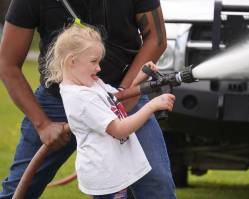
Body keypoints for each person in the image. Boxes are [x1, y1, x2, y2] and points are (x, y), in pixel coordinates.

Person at [0, 0, 176, 198]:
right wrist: (42, 124)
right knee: (19, 188)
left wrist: (126, 92)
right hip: (57, 102)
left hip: (119, 94)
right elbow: (7, 64)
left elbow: (157, 38)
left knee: (156, 184)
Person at [44, 24, 175, 199]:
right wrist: (151, 106)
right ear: (72, 61)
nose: (98, 68)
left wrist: (140, 78)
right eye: (93, 62)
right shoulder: (81, 98)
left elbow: (116, 98)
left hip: (115, 170)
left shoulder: (92, 84)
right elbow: (118, 129)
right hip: (107, 179)